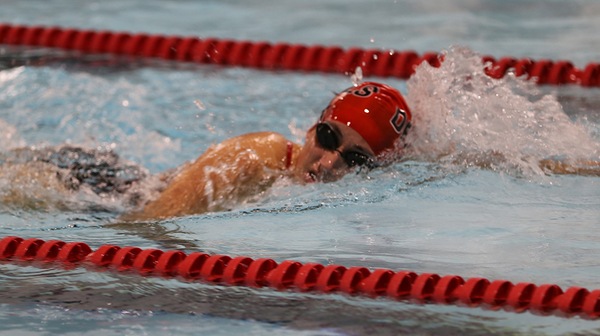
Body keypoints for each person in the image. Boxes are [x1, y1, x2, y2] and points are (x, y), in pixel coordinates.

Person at [120, 81, 412, 221]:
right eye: (327, 136)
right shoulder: (256, 158)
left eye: (354, 158)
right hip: (108, 194)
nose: (328, 162)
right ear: (314, 126)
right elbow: (146, 223)